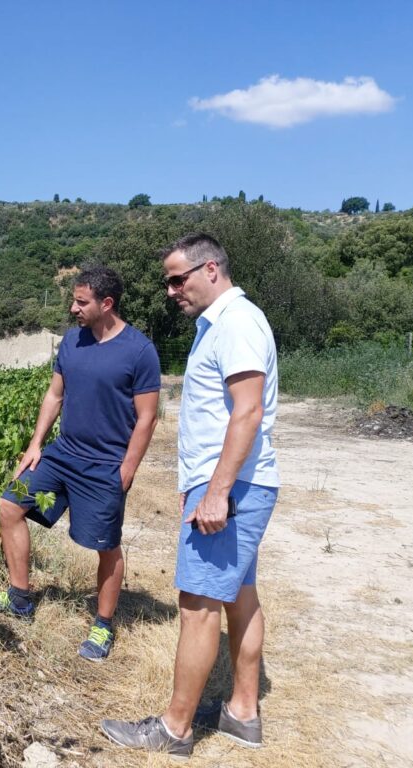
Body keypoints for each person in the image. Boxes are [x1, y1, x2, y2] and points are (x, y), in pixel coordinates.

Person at [100, 233, 280, 757]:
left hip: (233, 483)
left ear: (211, 270)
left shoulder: (236, 323)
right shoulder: (223, 324)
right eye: (167, 281)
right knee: (239, 596)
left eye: (178, 278)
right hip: (237, 481)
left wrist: (217, 491)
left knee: (198, 602)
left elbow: (246, 412)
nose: (171, 290)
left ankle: (175, 729)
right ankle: (242, 713)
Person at [0, 265, 160, 661]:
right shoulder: (72, 342)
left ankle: (103, 624)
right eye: (73, 300)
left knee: (105, 546)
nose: (73, 308)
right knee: (10, 505)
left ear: (106, 304)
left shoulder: (140, 351)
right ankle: (20, 597)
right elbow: (55, 395)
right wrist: (35, 444)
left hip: (104, 465)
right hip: (62, 454)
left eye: (81, 301)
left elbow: (147, 417)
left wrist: (127, 469)